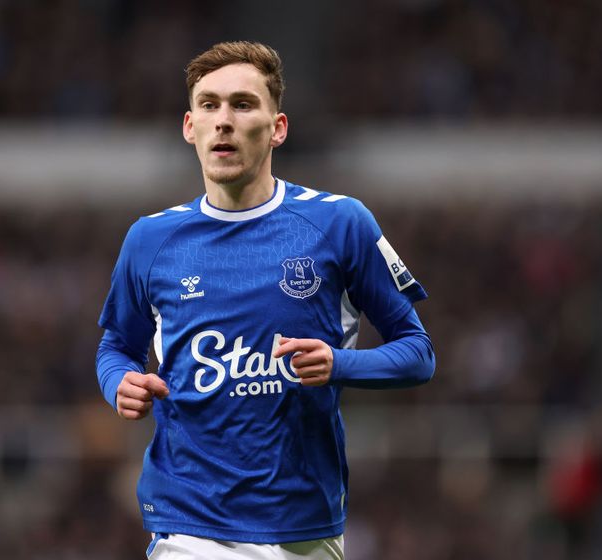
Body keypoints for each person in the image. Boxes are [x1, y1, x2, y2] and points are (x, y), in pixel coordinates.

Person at [96, 41, 435, 560]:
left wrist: (339, 364)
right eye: (209, 105)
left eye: (242, 104)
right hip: (189, 524)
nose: (223, 120)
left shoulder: (340, 223)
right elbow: (117, 346)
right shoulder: (150, 239)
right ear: (190, 127)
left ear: (277, 127)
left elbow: (417, 353)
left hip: (304, 524)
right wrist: (120, 382)